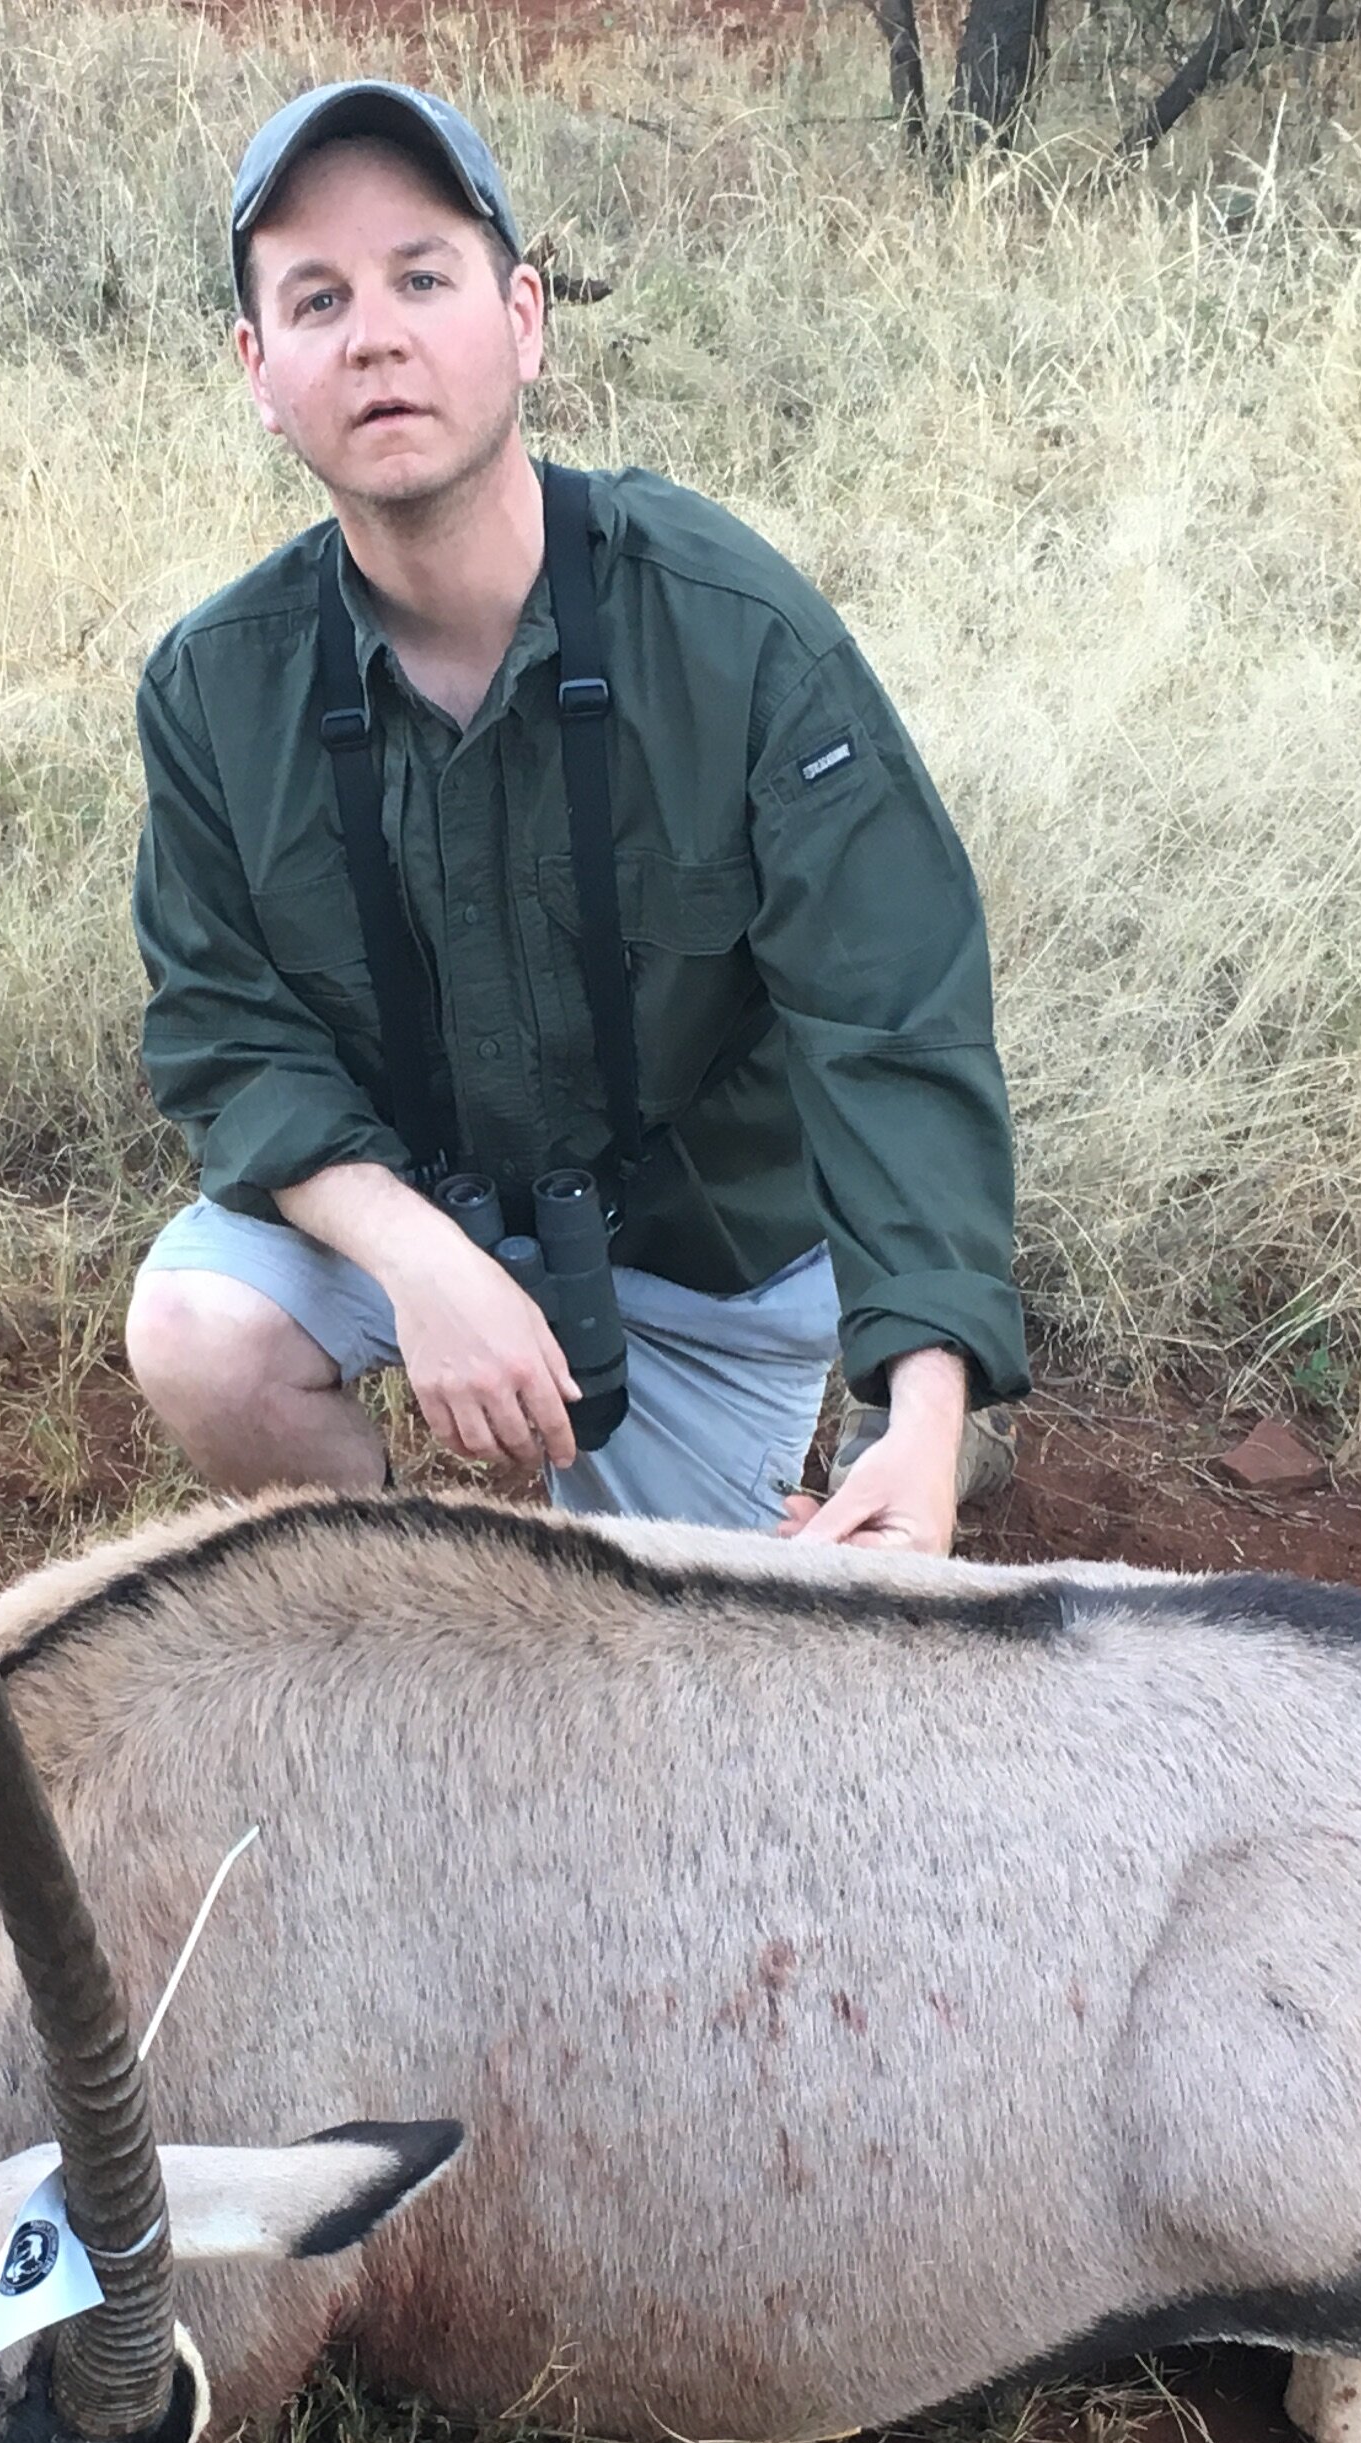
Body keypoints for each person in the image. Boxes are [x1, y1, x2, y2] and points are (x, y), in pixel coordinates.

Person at [122, 81, 1027, 1556]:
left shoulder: (737, 629)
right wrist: (419, 1256)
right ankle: (400, 1628)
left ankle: (800, 1454)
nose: (376, 335)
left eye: (425, 277)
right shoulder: (215, 685)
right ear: (261, 368)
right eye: (318, 299)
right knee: (199, 1330)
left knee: (692, 1693)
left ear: (523, 318)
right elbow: (228, 1036)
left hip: (698, 1260)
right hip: (418, 1209)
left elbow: (894, 1019)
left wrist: (926, 1419)